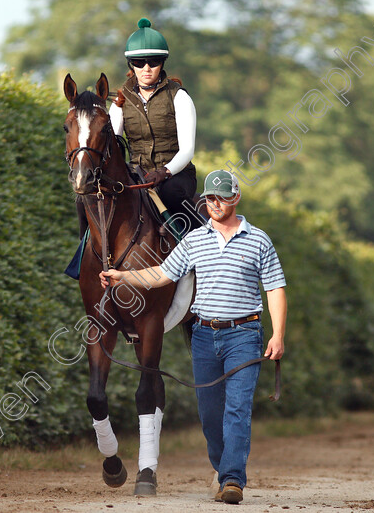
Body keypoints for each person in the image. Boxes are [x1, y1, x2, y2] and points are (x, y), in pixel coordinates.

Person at [99, 170, 287, 504]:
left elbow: (274, 288)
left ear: (236, 198)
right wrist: (122, 276)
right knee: (211, 414)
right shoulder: (194, 241)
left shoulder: (259, 239)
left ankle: (232, 480)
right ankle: (222, 469)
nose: (216, 204)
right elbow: (161, 274)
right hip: (204, 336)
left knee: (237, 410)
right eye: (211, 198)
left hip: (245, 334)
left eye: (223, 197)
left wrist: (278, 335)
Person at [66, 18, 199, 279]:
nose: (146, 68)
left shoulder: (179, 97)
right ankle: (85, 254)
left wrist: (164, 172)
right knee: (85, 201)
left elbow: (188, 150)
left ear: (162, 63)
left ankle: (197, 259)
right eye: (139, 63)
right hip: (136, 176)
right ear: (131, 65)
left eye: (153, 61)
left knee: (172, 194)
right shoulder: (120, 101)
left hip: (175, 176)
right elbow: (111, 142)